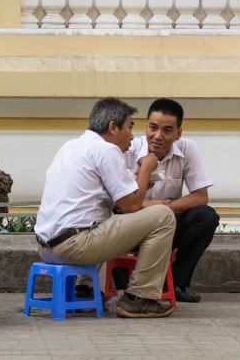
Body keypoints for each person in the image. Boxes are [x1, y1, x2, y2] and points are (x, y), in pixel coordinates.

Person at [35, 98, 177, 318]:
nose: (132, 136)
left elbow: (113, 201)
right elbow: (130, 205)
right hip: (74, 247)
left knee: (101, 217)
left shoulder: (71, 146)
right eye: (129, 126)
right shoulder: (106, 150)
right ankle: (140, 298)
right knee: (164, 217)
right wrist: (147, 168)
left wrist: (138, 187)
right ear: (113, 127)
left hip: (46, 248)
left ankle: (86, 293)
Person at [121, 98, 220, 303]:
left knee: (206, 216)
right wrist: (148, 207)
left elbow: (201, 196)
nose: (158, 136)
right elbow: (116, 202)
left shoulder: (188, 149)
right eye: (153, 128)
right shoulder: (127, 149)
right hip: (130, 225)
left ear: (178, 133)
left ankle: (177, 282)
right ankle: (123, 286)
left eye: (167, 130)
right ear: (145, 125)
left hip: (168, 225)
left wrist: (165, 209)